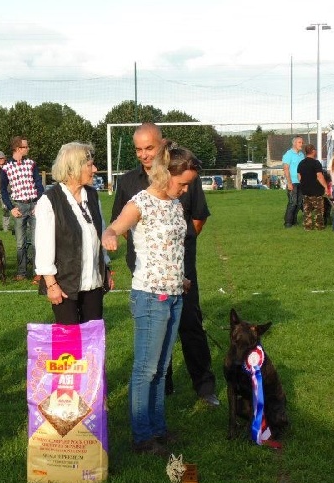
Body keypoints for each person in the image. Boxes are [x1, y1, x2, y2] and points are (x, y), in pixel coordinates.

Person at [102, 141, 201, 457]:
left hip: (174, 295)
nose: (186, 190)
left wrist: (181, 279)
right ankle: (142, 436)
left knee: (161, 366)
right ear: (167, 174)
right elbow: (116, 226)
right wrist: (110, 237)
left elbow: (173, 248)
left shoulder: (174, 205)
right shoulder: (140, 202)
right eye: (183, 183)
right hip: (150, 297)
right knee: (146, 368)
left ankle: (158, 429)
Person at [111, 123, 218, 407]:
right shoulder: (128, 182)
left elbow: (198, 217)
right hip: (146, 274)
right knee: (155, 340)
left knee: (190, 323)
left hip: (181, 268)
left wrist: (176, 247)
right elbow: (120, 223)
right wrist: (147, 249)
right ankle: (163, 388)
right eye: (138, 149)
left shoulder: (183, 174)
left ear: (163, 146)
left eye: (150, 148)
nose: (144, 155)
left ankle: (205, 386)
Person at [34, 142, 113, 324]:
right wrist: (51, 284)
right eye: (89, 165)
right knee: (70, 345)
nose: (94, 169)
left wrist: (106, 268)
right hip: (64, 285)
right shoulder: (50, 200)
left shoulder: (92, 196)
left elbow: (99, 235)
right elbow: (44, 246)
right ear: (73, 169)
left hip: (93, 282)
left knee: (92, 343)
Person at [0, 135, 44, 282]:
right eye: (25, 146)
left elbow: (39, 185)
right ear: (18, 148)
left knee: (37, 240)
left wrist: (38, 203)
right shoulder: (6, 168)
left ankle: (39, 271)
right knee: (20, 243)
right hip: (19, 206)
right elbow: (3, 191)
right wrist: (11, 207)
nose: (28, 148)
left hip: (33, 205)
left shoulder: (31, 164)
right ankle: (22, 272)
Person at [297, 144, 328, 230]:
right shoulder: (316, 163)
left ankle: (308, 226)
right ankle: (319, 226)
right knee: (319, 210)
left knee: (307, 210)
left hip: (305, 190)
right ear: (313, 151)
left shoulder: (301, 163)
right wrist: (325, 186)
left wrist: (303, 183)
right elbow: (319, 176)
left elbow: (299, 176)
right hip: (316, 191)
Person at [282, 136, 305, 227]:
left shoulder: (301, 155)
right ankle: (287, 222)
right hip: (292, 182)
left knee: (299, 203)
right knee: (293, 202)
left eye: (302, 142)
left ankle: (294, 221)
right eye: (300, 142)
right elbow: (286, 169)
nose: (301, 144)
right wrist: (289, 183)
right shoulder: (288, 154)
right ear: (294, 143)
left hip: (301, 183)